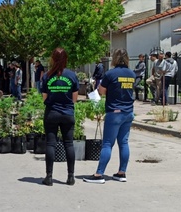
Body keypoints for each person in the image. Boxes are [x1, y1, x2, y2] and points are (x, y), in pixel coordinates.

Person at [83, 48, 135, 184]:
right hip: (128, 112)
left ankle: (99, 174)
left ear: (115, 58)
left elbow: (102, 91)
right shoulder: (131, 74)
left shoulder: (111, 74)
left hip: (114, 112)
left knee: (107, 143)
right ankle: (121, 173)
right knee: (123, 142)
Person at [41, 47, 79, 186]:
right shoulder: (72, 75)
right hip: (67, 113)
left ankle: (49, 177)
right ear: (66, 59)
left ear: (52, 58)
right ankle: (70, 177)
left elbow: (44, 98)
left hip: (52, 113)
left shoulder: (47, 76)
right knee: (68, 144)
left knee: (50, 144)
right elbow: (75, 97)